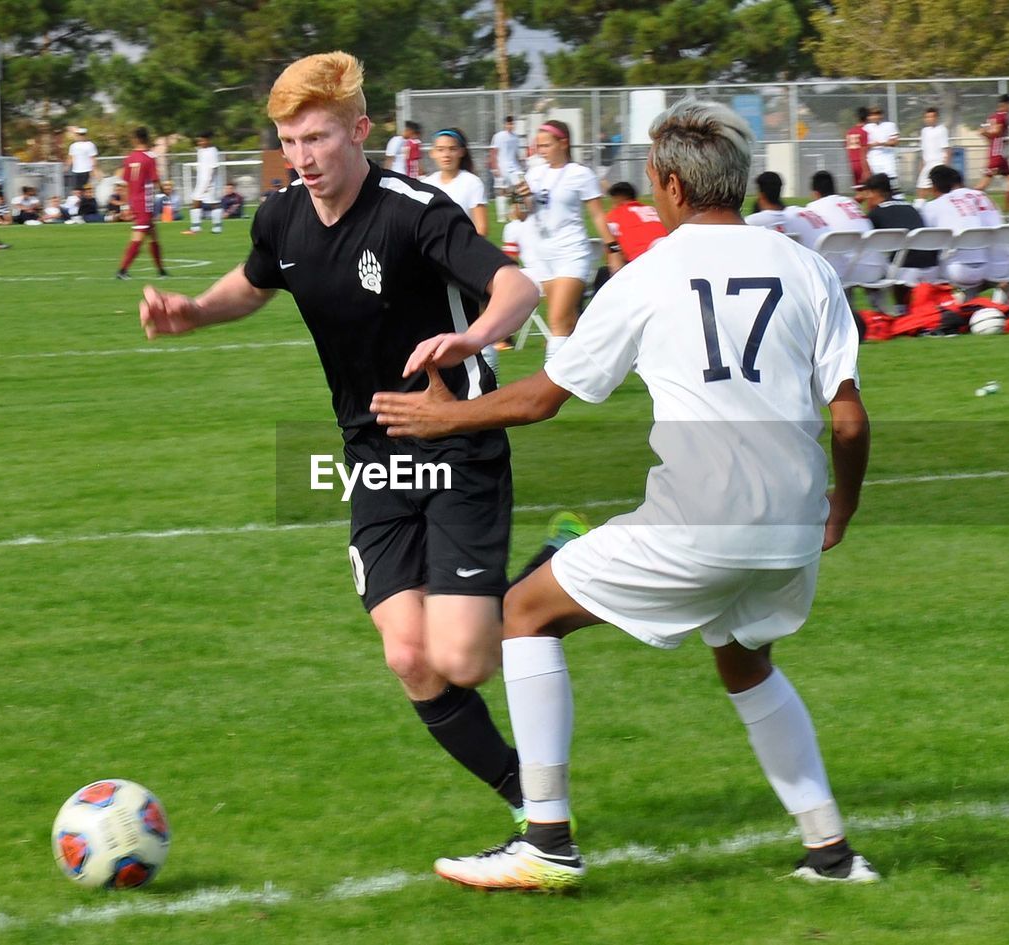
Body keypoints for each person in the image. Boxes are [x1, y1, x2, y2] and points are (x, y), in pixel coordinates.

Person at [371, 97, 877, 893]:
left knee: (522, 614)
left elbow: (543, 397)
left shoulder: (649, 276)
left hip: (700, 523)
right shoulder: (807, 267)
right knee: (745, 662)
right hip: (792, 525)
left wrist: (445, 418)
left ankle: (546, 838)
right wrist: (840, 508)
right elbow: (848, 421)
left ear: (671, 185)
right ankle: (832, 852)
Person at [137, 51, 544, 833]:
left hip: (458, 440)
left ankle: (546, 577)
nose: (302, 159)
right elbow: (254, 282)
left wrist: (479, 338)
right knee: (410, 658)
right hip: (375, 458)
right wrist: (194, 309)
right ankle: (533, 799)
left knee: (462, 658)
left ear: (360, 129)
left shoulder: (414, 211)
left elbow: (516, 286)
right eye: (289, 142)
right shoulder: (283, 215)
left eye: (318, 139)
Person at [515, 119, 620, 362]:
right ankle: (598, 364)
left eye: (546, 145)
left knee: (558, 322)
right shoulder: (534, 174)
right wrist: (520, 199)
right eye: (538, 145)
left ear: (563, 143)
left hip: (571, 252)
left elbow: (597, 214)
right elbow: (521, 215)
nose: (541, 150)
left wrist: (612, 248)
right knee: (569, 322)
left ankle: (550, 384)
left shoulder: (580, 174)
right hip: (543, 255)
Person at [421, 128, 497, 374]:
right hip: (433, 267)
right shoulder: (426, 184)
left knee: (474, 326)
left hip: (462, 264)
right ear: (432, 153)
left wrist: (459, 252)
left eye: (452, 149)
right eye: (441, 150)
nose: (446, 155)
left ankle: (489, 382)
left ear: (462, 152)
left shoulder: (471, 183)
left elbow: (481, 227)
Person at [856, 172, 938, 296]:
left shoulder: (876, 213)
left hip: (906, 271)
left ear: (873, 193)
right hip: (933, 268)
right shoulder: (910, 207)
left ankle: (883, 309)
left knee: (870, 267)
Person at [116, 126, 169, 280]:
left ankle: (161, 271)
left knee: (153, 236)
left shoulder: (129, 158)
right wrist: (163, 190)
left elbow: (124, 185)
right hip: (145, 203)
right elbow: (155, 178)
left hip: (135, 202)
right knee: (138, 238)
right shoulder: (149, 157)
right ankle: (122, 270)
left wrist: (125, 205)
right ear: (147, 138)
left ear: (135, 139)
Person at [977, 94, 1009, 216]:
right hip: (998, 155)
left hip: (1000, 154)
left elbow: (992, 136)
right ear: (1005, 105)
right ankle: (971, 201)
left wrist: (987, 135)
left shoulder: (992, 117)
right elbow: (996, 133)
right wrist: (986, 134)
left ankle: (1007, 213)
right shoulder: (1002, 117)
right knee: (983, 184)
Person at [184, 131, 222, 234]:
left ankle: (217, 227)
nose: (200, 142)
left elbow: (214, 168)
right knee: (195, 201)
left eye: (202, 140)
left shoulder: (213, 151)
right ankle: (196, 227)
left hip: (210, 183)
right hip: (201, 181)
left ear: (209, 140)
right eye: (199, 140)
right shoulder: (200, 151)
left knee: (214, 203)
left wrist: (209, 183)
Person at [488, 115, 524, 223]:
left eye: (512, 124)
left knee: (519, 188)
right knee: (502, 191)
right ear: (505, 125)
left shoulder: (516, 138)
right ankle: (501, 217)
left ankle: (514, 213)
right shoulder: (498, 136)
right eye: (508, 123)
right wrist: (495, 167)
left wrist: (521, 164)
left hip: (514, 167)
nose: (510, 126)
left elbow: (516, 154)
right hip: (502, 167)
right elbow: (493, 153)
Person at [863, 105, 900, 193]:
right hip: (873, 160)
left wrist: (882, 143)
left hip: (887, 160)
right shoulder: (866, 128)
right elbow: (863, 145)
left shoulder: (890, 125)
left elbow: (895, 142)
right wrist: (870, 145)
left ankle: (898, 201)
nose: (875, 117)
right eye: (872, 115)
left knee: (892, 184)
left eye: (877, 114)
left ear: (881, 115)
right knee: (875, 185)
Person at [917, 107, 951, 201]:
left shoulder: (942, 129)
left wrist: (946, 166)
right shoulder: (924, 131)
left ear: (936, 118)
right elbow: (924, 149)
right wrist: (922, 165)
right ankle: (920, 208)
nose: (929, 119)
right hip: (927, 164)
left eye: (932, 117)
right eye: (927, 117)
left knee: (938, 190)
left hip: (938, 164)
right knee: (921, 188)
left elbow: (947, 149)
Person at [844, 107, 870, 190]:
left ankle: (852, 203)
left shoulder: (849, 132)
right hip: (861, 163)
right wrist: (866, 170)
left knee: (859, 190)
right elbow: (863, 152)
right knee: (868, 190)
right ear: (867, 118)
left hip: (852, 163)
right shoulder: (864, 132)